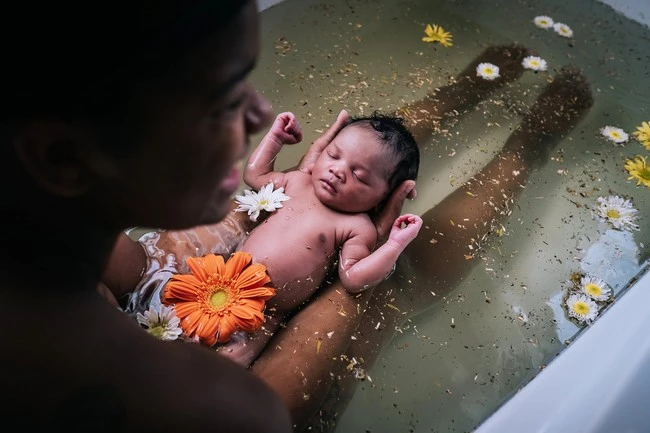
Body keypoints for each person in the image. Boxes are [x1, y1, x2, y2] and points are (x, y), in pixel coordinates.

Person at [103, 39, 594, 432]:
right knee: (384, 285)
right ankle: (525, 148)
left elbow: (260, 177)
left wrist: (295, 157)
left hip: (175, 294)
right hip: (238, 364)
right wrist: (387, 244)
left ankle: (462, 97)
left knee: (313, 183)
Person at [1, 1, 295, 431]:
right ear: (64, 157)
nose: (261, 113)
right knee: (337, 286)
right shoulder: (221, 411)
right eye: (227, 100)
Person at [165, 111, 422, 365]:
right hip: (225, 278)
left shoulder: (356, 226)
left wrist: (394, 244)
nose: (337, 170)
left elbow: (353, 278)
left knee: (230, 360)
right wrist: (275, 139)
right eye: (333, 155)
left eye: (360, 176)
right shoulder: (298, 181)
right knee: (177, 317)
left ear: (382, 199)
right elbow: (255, 176)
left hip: (270, 311)